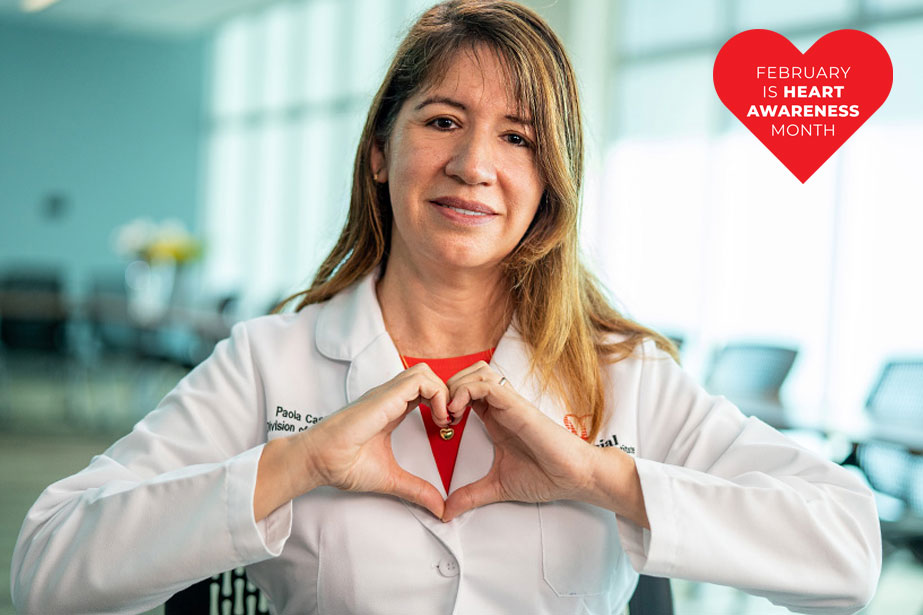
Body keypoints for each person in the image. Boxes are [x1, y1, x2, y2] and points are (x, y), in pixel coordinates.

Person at [12, 1, 881, 614]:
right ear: (382, 152)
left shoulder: (624, 378)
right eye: (440, 120)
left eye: (518, 137)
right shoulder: (267, 361)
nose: (473, 163)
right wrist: (295, 464)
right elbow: (47, 570)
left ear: (547, 186)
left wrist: (597, 478)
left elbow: (846, 553)